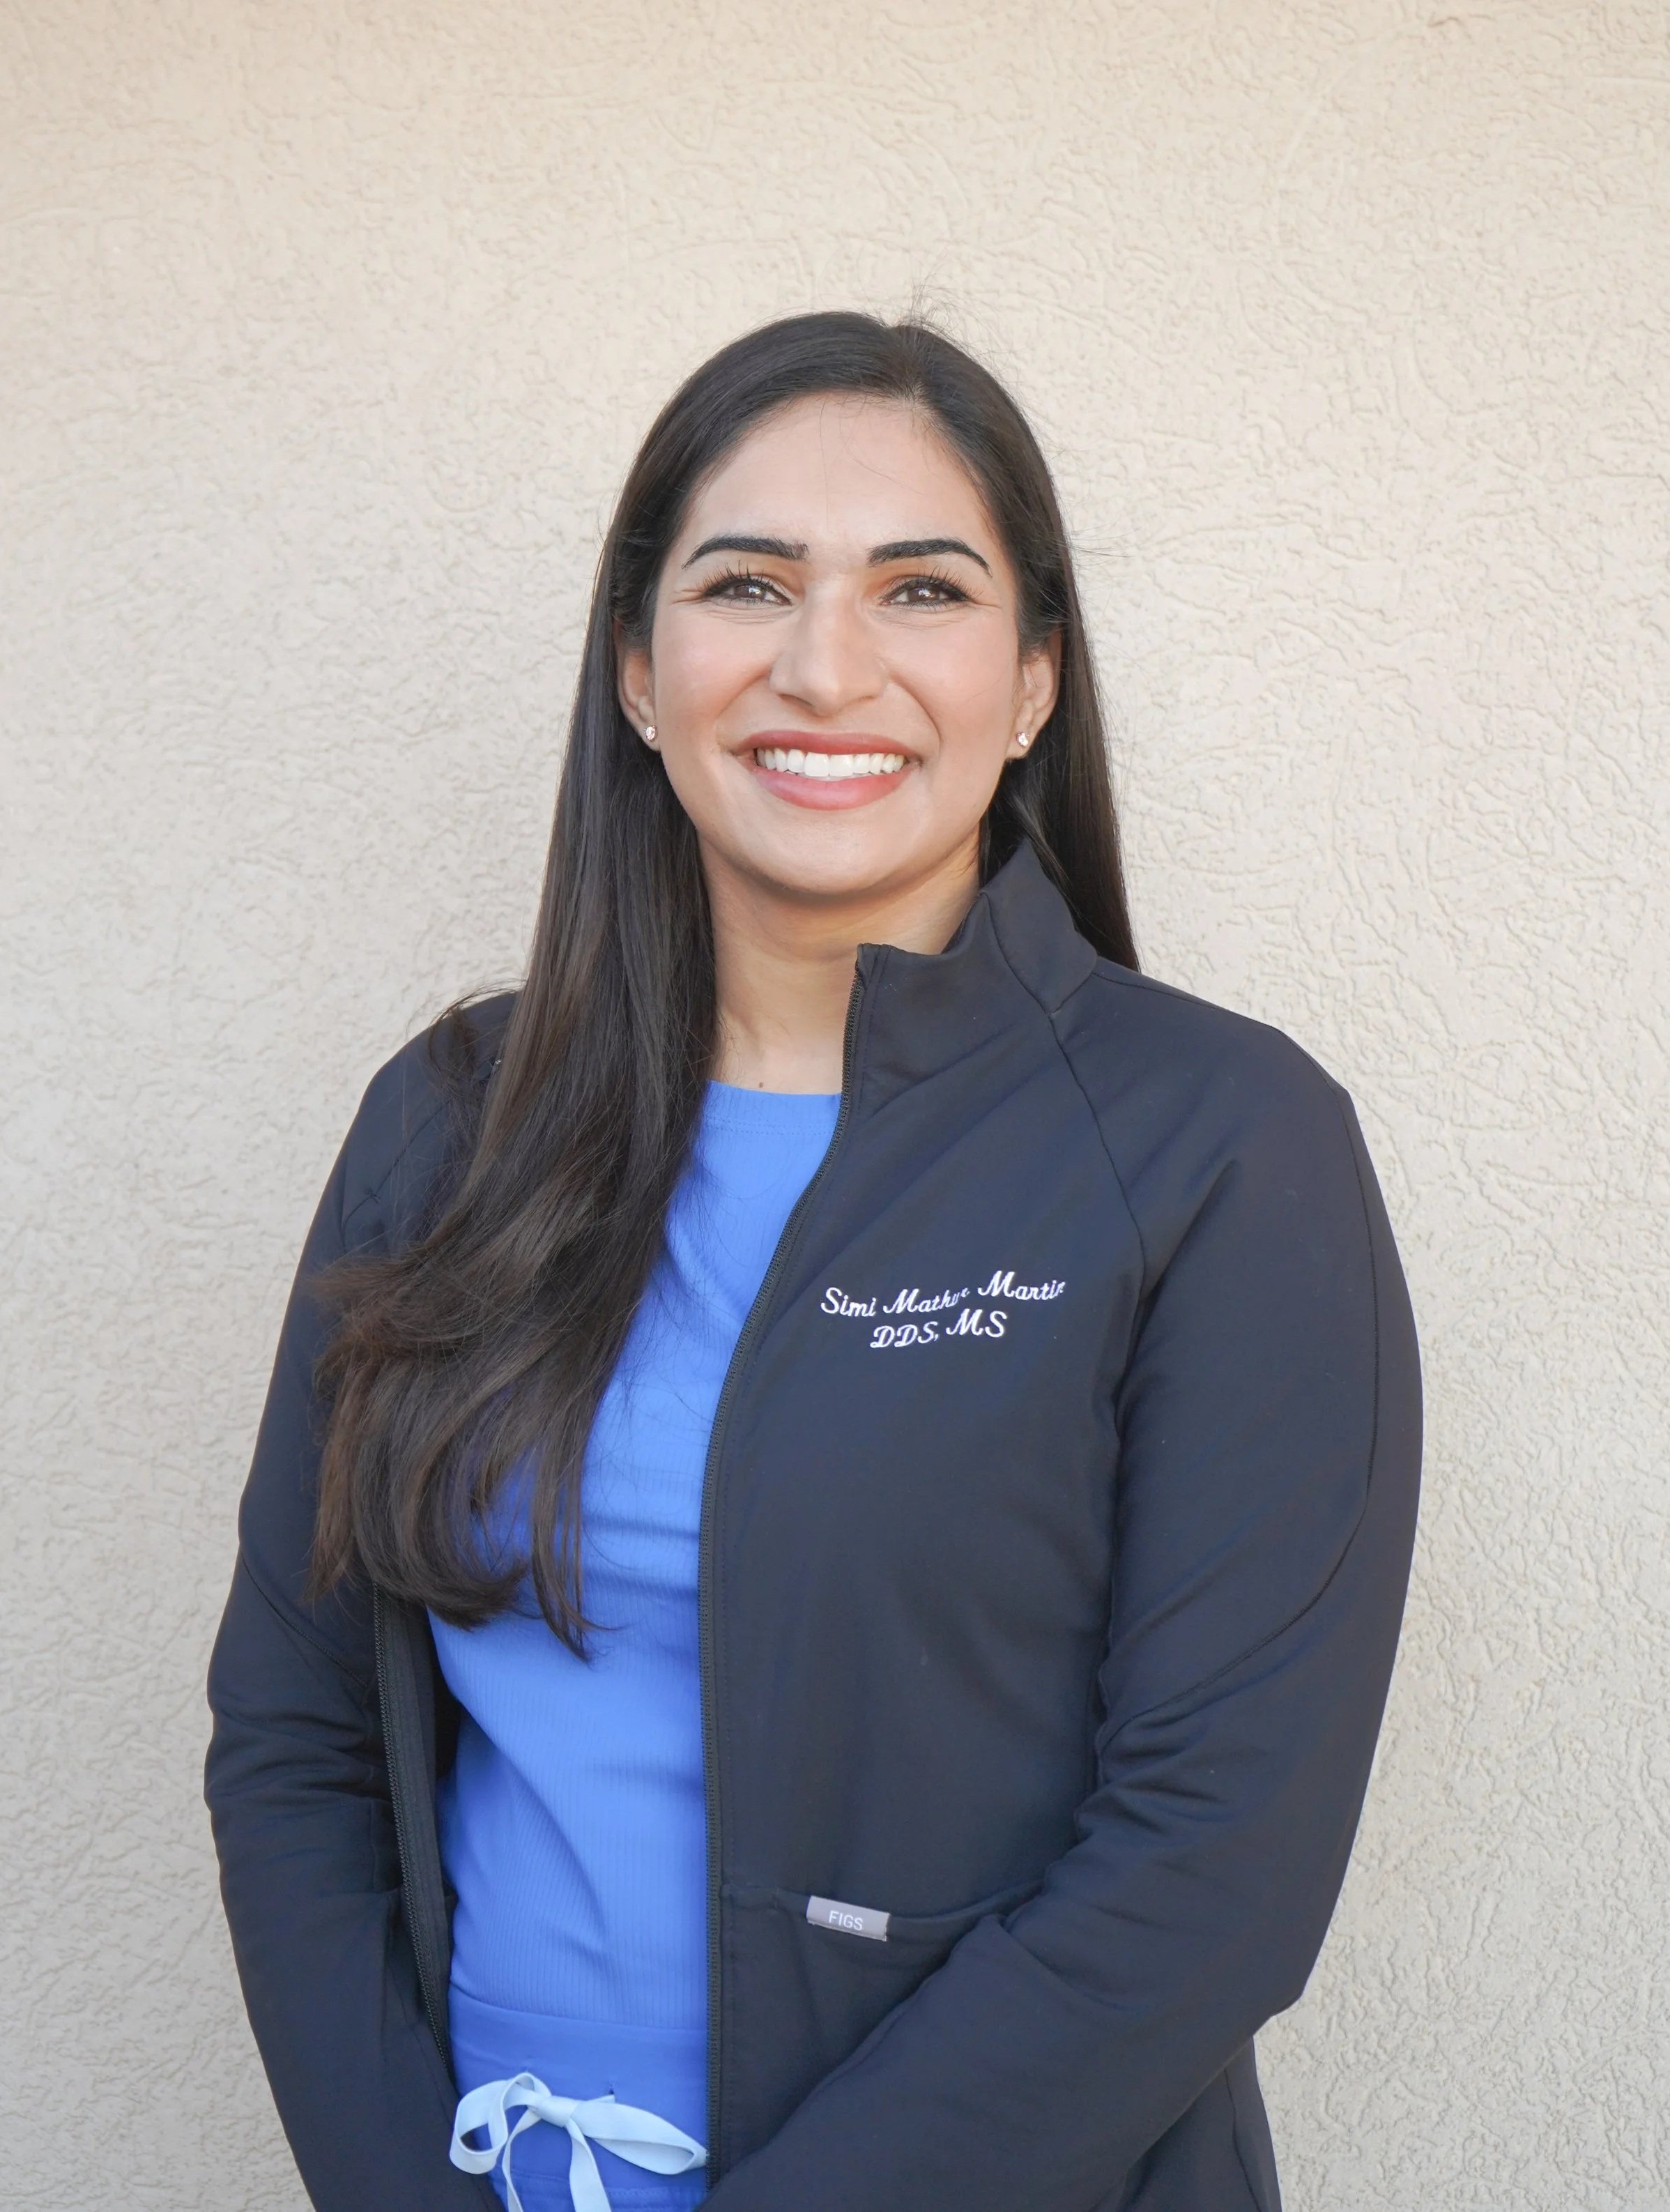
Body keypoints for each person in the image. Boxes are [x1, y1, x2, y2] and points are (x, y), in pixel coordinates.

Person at [206, 311, 1420, 2212]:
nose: (821, 666)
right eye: (745, 584)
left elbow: (1214, 1864)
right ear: (635, 667)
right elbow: (293, 1744)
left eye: (919, 589)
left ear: (1030, 681)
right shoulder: (444, 1127)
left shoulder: (1218, 1146)